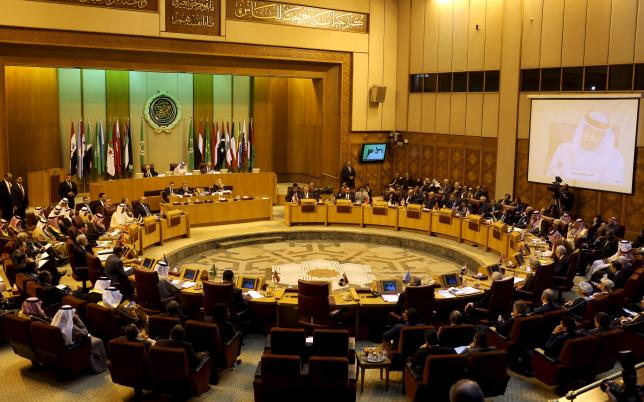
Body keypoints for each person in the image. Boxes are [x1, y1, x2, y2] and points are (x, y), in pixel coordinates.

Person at [547, 111, 625, 184]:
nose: (591, 139)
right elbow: (552, 179)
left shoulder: (614, 157)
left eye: (598, 134)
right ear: (582, 130)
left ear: (604, 136)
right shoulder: (563, 150)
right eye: (589, 131)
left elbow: (617, 185)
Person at [51, 305, 107, 373]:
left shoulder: (55, 323)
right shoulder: (70, 327)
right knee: (98, 341)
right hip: (74, 348)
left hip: (62, 349)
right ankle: (100, 366)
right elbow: (85, 332)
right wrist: (77, 319)